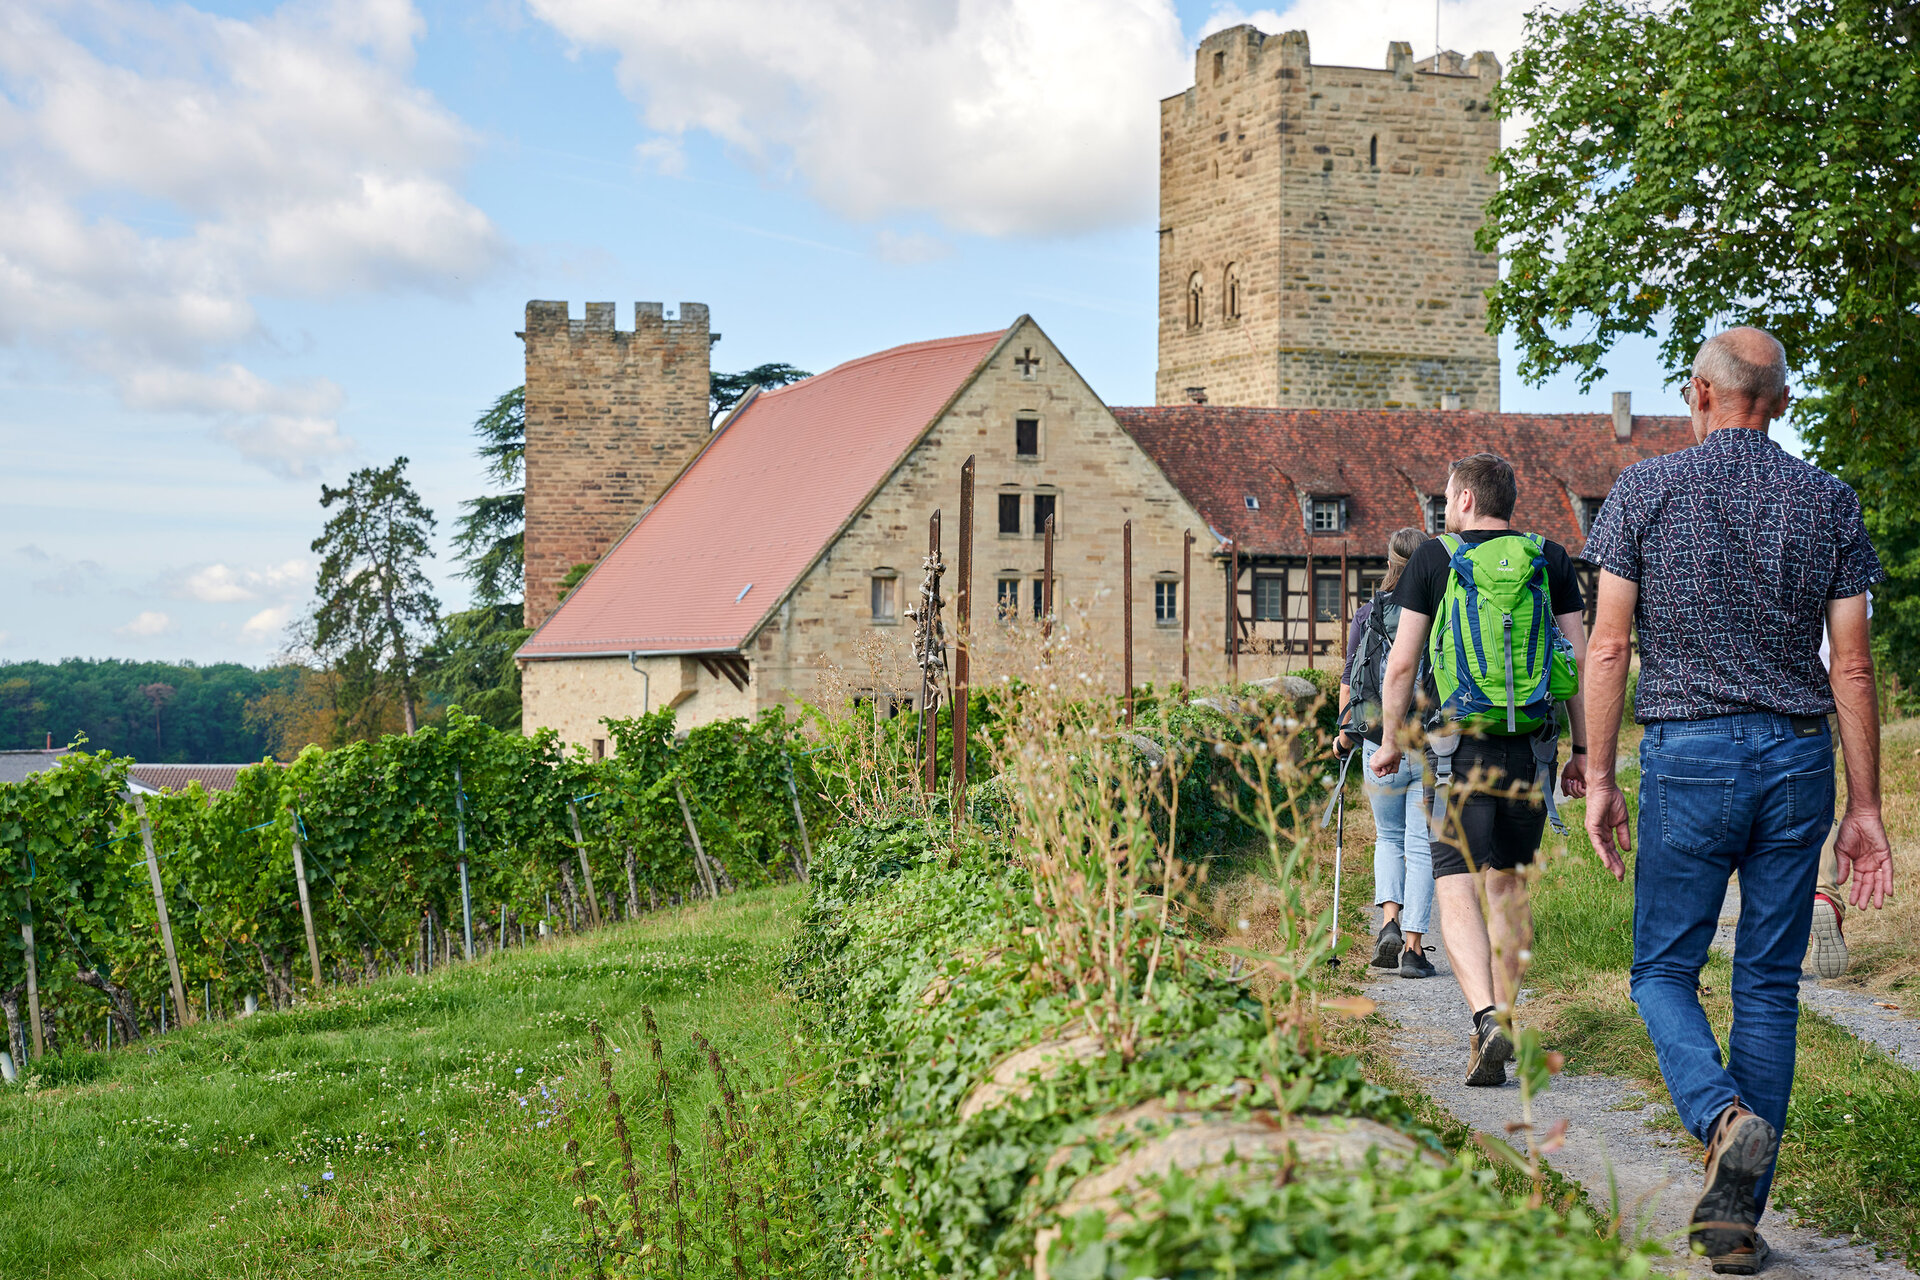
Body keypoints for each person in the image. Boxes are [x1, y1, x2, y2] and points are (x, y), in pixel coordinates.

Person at [1581, 328, 1892, 1274]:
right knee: (1765, 984)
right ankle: (1734, 1222)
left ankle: (1721, 1118)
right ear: (1781, 403)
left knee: (1661, 971)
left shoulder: (1644, 490)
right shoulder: (1828, 500)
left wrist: (1599, 776)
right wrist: (1866, 808)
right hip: (1797, 761)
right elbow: (1852, 666)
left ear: (1698, 393)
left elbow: (1608, 646)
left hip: (1689, 756)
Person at [1370, 453, 1590, 1086]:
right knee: (1509, 884)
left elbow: (1401, 664)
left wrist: (1389, 740)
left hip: (1456, 751)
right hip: (1531, 749)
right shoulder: (1550, 558)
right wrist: (1582, 750)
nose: (1444, 506)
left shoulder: (1434, 559)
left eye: (1447, 496)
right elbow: (1576, 660)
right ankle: (1506, 1018)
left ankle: (1486, 1018)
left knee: (1454, 880)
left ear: (1465, 499)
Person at [1336, 526, 1436, 979]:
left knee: (1388, 838)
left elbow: (1349, 681)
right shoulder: (1439, 610)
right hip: (1429, 745)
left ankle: (1388, 923)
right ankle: (1413, 950)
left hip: (1379, 743)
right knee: (1420, 846)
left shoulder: (1368, 614)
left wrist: (1344, 737)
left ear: (1390, 562)